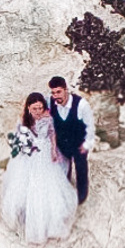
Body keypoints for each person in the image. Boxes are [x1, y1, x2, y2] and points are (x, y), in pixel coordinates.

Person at [0, 92, 76, 245]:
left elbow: (52, 134)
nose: (38, 111)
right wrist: (22, 146)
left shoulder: (48, 118)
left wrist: (54, 150)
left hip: (45, 153)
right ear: (28, 108)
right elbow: (18, 136)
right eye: (34, 109)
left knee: (46, 187)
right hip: (28, 156)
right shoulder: (23, 121)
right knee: (24, 186)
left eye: (40, 108)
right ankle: (26, 218)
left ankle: (49, 224)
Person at [46, 75, 90, 206]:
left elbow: (89, 125)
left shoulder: (80, 103)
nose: (56, 95)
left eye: (58, 92)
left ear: (65, 90)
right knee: (65, 167)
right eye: (53, 92)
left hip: (79, 142)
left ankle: (82, 196)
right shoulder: (51, 103)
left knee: (81, 167)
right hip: (63, 143)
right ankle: (66, 193)